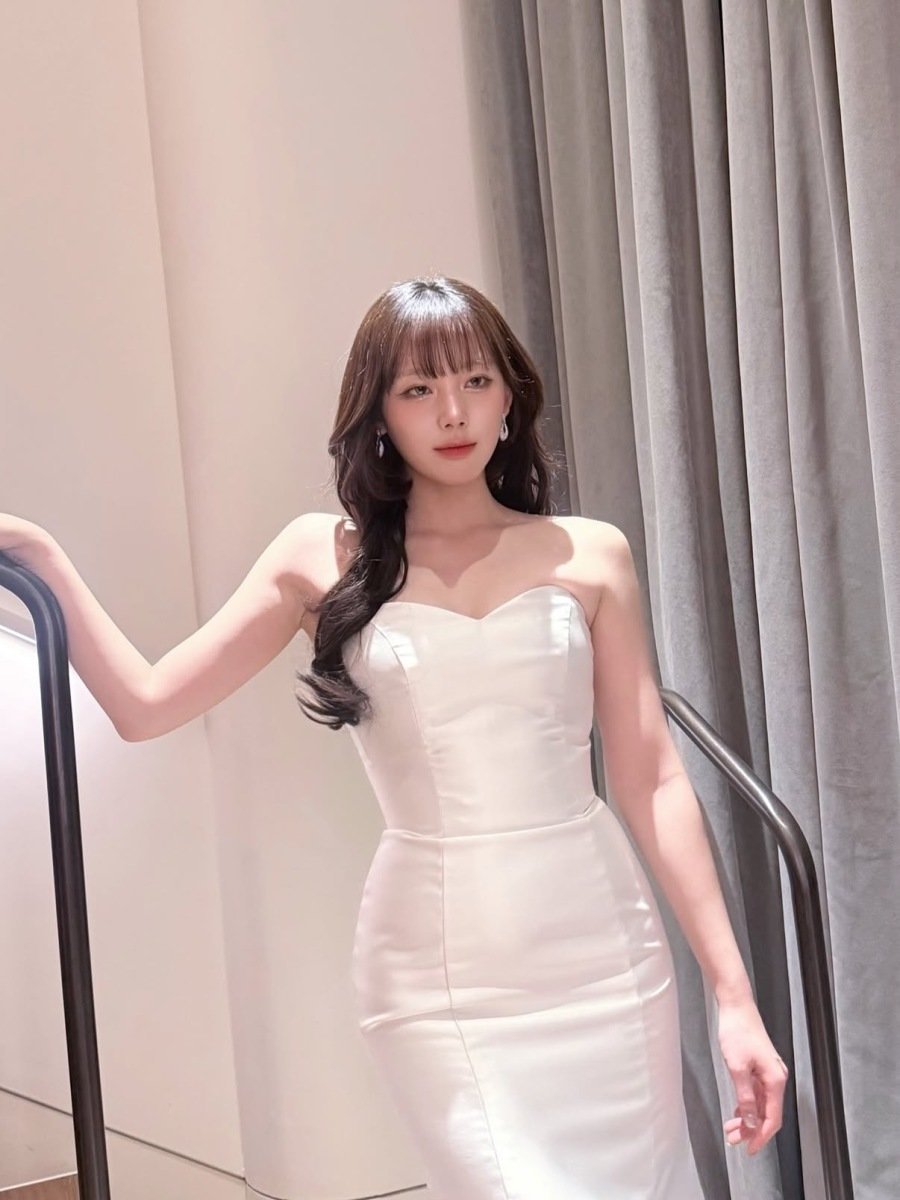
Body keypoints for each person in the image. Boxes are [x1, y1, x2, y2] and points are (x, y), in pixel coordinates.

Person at [1, 274, 788, 1197]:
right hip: (435, 976)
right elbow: (144, 705)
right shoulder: (319, 556)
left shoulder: (589, 553)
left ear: (510, 396)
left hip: (605, 963)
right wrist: (43, 556)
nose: (453, 412)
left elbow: (652, 777)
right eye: (419, 389)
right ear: (379, 413)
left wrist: (733, 997)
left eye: (476, 381)